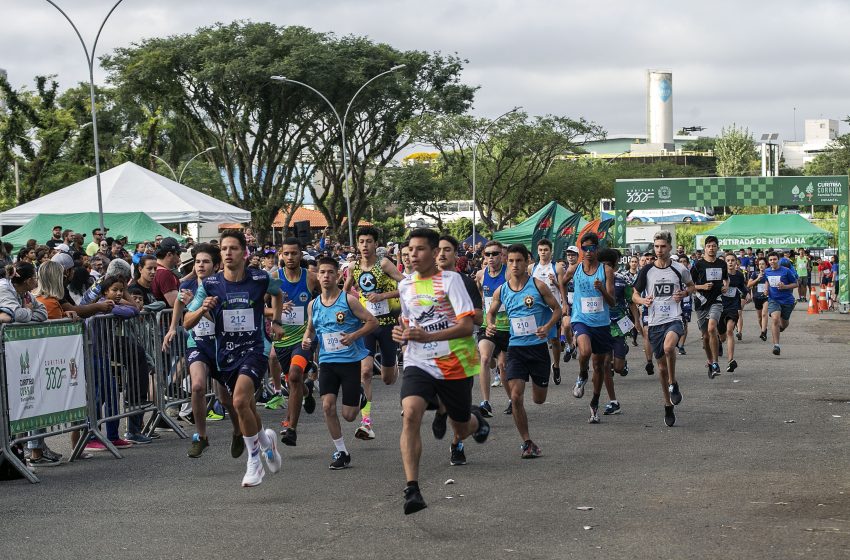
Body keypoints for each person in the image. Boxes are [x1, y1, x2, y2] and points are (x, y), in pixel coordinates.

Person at [394, 228, 489, 515]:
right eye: (410, 249)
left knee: (461, 427)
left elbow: (467, 326)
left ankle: (476, 421)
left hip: (454, 362)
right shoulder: (405, 286)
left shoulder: (451, 281)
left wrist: (428, 336)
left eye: (420, 249)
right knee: (410, 412)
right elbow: (409, 322)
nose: (413, 254)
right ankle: (412, 489)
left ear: (435, 254)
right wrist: (402, 333)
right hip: (418, 361)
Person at [183, 231, 285, 487]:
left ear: (244, 253)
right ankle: (265, 441)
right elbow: (186, 321)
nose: (228, 253)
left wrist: (277, 320)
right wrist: (203, 308)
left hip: (255, 349)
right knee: (246, 406)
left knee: (239, 401)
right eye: (224, 249)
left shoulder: (261, 278)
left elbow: (278, 294)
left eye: (233, 248)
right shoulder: (210, 284)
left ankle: (254, 462)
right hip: (226, 354)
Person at [162, 243, 241, 458]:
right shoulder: (187, 285)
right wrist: (171, 328)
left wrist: (197, 308)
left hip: (220, 345)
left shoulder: (221, 287)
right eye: (197, 261)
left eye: (205, 262)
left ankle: (238, 430)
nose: (200, 265)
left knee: (225, 399)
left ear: (216, 266)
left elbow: (222, 320)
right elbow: (179, 304)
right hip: (196, 343)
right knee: (196, 386)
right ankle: (201, 436)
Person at [487, 243, 561, 456]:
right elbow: (490, 312)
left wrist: (547, 327)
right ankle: (527, 442)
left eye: (519, 260)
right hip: (516, 349)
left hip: (538, 349)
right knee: (517, 397)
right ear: (505, 261)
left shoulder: (538, 286)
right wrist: (490, 323)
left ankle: (539, 385)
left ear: (527, 261)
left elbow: (556, 309)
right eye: (510, 261)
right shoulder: (502, 290)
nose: (515, 265)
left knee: (539, 399)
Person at [303, 256, 376, 469]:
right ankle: (341, 451)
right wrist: (306, 340)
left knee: (350, 415)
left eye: (330, 272)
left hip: (350, 362)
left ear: (338, 276)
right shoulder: (313, 305)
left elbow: (373, 322)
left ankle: (361, 394)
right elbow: (310, 329)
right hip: (327, 362)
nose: (326, 276)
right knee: (327, 406)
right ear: (317, 276)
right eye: (322, 272)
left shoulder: (348, 301)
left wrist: (354, 336)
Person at [342, 226, 404, 441]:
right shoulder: (353, 267)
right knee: (366, 372)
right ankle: (366, 423)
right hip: (367, 325)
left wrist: (383, 295)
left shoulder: (384, 264)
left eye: (369, 241)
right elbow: (345, 292)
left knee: (387, 379)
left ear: (376, 244)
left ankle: (393, 364)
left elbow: (406, 285)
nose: (365, 245)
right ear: (357, 244)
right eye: (362, 241)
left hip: (387, 325)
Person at [632, 231, 695, 427]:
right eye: (656, 247)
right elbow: (634, 295)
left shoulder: (679, 269)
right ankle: (667, 404)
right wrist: (643, 300)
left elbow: (692, 286)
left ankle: (673, 382)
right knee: (660, 368)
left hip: (674, 318)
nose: (659, 250)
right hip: (655, 322)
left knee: (669, 348)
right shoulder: (647, 270)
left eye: (663, 246)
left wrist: (684, 292)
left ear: (670, 247)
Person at [434, 234, 484, 466]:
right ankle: (442, 409)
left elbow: (480, 318)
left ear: (456, 254)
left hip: (461, 351)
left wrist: (459, 313)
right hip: (433, 350)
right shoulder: (424, 283)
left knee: (461, 409)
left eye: (447, 250)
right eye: (438, 250)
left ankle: (457, 444)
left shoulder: (465, 282)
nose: (442, 254)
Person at [273, 238, 321, 447]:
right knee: (295, 382)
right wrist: (275, 312)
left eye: (294, 253)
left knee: (294, 376)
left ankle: (291, 427)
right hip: (282, 340)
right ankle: (307, 392)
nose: (290, 258)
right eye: (286, 254)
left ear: (301, 255)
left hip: (305, 339)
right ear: (281, 256)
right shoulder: (274, 278)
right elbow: (259, 306)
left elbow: (328, 297)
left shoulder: (310, 278)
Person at [564, 233, 615, 425]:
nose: (588, 252)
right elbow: (562, 282)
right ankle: (582, 374)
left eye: (591, 248)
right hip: (581, 319)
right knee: (584, 351)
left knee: (599, 367)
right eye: (584, 248)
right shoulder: (575, 268)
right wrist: (564, 303)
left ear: (597, 249)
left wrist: (601, 289)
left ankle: (595, 401)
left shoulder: (606, 270)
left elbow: (612, 301)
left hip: (601, 323)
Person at [597, 248, 638, 415]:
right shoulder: (595, 280)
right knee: (606, 364)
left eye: (608, 265)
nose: (605, 268)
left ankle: (622, 360)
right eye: (603, 264)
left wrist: (637, 323)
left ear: (614, 266)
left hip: (621, 324)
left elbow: (632, 302)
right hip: (602, 325)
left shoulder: (623, 279)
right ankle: (613, 401)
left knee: (619, 368)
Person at [475, 240, 510, 415]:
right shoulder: (481, 275)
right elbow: (480, 294)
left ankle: (512, 400)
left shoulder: (509, 274)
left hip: (507, 328)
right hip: (488, 325)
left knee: (503, 367)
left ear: (502, 256)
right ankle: (485, 402)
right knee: (485, 358)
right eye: (487, 254)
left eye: (495, 254)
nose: (491, 257)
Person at [529, 238, 566, 384]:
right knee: (539, 339)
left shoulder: (557, 267)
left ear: (551, 251)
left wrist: (564, 304)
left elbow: (563, 287)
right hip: (537, 309)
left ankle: (556, 365)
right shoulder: (532, 268)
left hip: (553, 308)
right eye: (541, 250)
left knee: (555, 340)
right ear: (537, 252)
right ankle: (540, 369)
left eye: (546, 250)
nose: (543, 253)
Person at [691, 236, 728, 379]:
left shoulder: (722, 264)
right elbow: (690, 285)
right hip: (701, 301)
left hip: (717, 300)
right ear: (705, 248)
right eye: (709, 246)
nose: (711, 248)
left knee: (712, 328)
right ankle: (710, 360)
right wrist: (702, 286)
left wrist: (726, 286)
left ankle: (716, 364)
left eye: (714, 246)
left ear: (717, 248)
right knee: (705, 336)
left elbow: (726, 279)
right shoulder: (697, 265)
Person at [765, 251, 798, 356]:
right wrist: (766, 290)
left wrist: (785, 287)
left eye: (774, 259)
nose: (772, 261)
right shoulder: (767, 271)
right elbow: (766, 281)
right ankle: (776, 346)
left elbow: (796, 284)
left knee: (784, 324)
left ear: (778, 260)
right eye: (770, 260)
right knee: (775, 319)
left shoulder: (786, 271)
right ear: (768, 261)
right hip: (773, 299)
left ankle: (781, 327)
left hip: (787, 300)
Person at [721, 253, 746, 373]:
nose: (730, 262)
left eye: (732, 260)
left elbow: (743, 288)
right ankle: (719, 341)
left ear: (736, 262)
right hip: (719, 306)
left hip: (732, 306)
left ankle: (730, 360)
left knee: (730, 330)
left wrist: (746, 296)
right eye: (728, 260)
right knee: (721, 336)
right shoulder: (720, 275)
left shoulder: (739, 276)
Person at [560, 246, 580, 363]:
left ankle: (574, 346)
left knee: (577, 328)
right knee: (566, 325)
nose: (571, 257)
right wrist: (564, 302)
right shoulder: (563, 269)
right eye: (568, 255)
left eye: (573, 255)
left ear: (578, 256)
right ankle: (571, 346)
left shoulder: (581, 268)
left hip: (580, 304)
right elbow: (561, 285)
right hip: (568, 302)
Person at [152, 237, 181, 307]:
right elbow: (174, 302)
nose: (179, 258)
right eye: (178, 254)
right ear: (169, 255)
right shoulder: (164, 274)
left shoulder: (156, 269)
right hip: (167, 317)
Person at [747, 256, 770, 341]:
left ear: (766, 265)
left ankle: (763, 332)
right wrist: (757, 279)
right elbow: (749, 285)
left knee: (764, 314)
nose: (761, 266)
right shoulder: (754, 274)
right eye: (760, 264)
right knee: (760, 317)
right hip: (757, 297)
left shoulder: (769, 273)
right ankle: (763, 329)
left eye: (763, 264)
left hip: (766, 297)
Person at [676, 255, 693, 354]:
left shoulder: (690, 273)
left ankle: (681, 346)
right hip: (676, 302)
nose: (682, 263)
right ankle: (675, 339)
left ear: (687, 263)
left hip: (686, 302)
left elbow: (693, 286)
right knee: (677, 322)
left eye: (684, 261)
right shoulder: (674, 272)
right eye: (680, 261)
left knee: (685, 323)